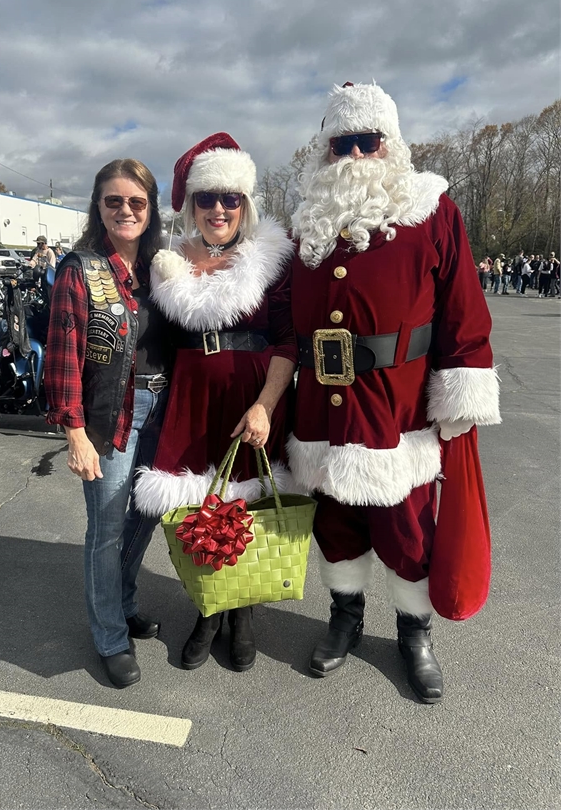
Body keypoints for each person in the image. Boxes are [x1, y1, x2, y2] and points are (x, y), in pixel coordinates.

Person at [288, 81, 501, 704]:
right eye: (341, 144)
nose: (353, 156)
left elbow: (464, 312)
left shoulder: (431, 210)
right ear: (325, 151)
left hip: (396, 410)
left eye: (367, 141)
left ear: (391, 144)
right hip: (321, 411)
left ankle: (414, 633)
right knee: (336, 523)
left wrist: (460, 396)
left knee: (407, 531)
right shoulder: (308, 222)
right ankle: (346, 618)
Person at [135, 133, 297, 673]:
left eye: (231, 198)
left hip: (250, 395)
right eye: (207, 199)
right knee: (199, 507)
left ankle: (241, 614)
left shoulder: (269, 257)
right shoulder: (166, 263)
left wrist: (266, 406)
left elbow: (287, 340)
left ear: (246, 203)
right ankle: (208, 609)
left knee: (244, 505)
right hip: (192, 396)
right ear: (191, 205)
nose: (219, 209)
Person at [44, 159, 174, 688]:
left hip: (164, 411)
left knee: (146, 516)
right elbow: (63, 353)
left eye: (136, 202)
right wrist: (75, 432)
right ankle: (109, 636)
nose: (125, 210)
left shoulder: (162, 268)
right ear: (98, 207)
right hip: (111, 417)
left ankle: (122, 602)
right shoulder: (81, 268)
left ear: (150, 210)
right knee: (107, 529)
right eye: (114, 200)